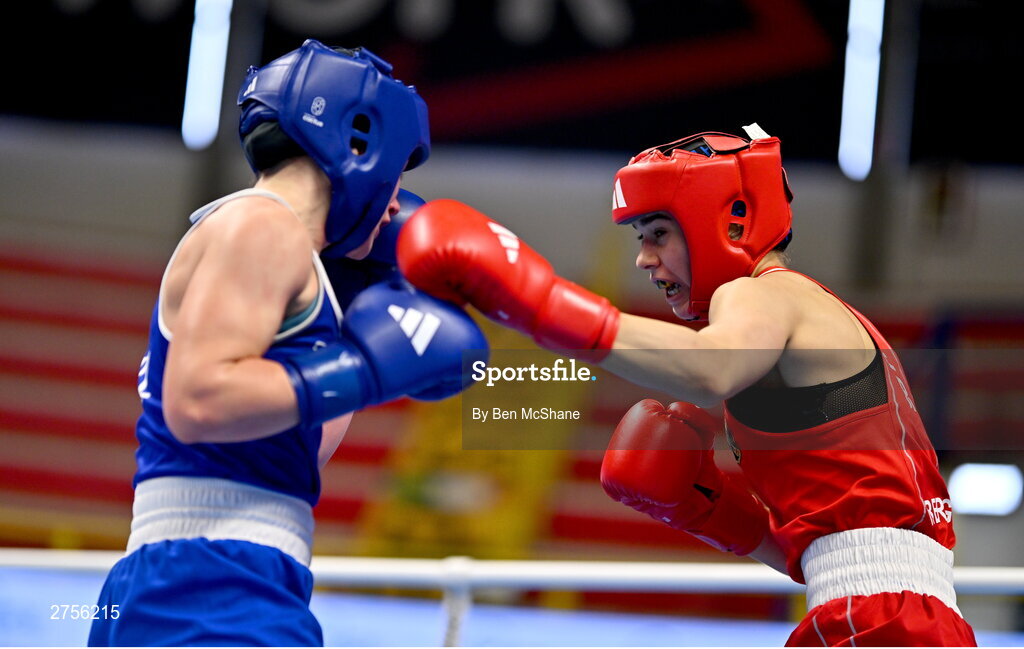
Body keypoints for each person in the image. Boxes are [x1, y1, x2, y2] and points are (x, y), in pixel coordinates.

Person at [394, 124, 977, 646]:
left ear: (730, 220)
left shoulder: (760, 293)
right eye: (639, 239)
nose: (645, 259)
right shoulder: (801, 322)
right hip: (896, 614)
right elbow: (833, 552)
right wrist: (709, 509)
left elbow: (709, 369)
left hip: (877, 619)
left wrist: (543, 307)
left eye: (658, 234)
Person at [88, 40, 487, 646]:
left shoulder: (284, 258)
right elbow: (200, 402)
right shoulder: (262, 224)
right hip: (210, 586)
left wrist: (351, 330)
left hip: (219, 576)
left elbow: (281, 454)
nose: (393, 208)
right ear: (361, 144)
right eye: (398, 173)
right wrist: (366, 367)